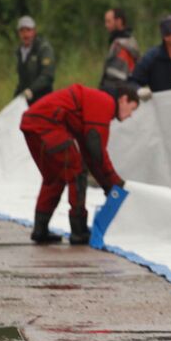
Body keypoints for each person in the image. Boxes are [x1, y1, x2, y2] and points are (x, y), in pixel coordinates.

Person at [20, 82, 140, 246]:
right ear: (124, 99)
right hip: (46, 123)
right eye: (132, 109)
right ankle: (79, 231)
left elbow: (91, 154)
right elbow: (96, 148)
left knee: (54, 177)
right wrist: (115, 183)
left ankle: (40, 230)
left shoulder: (95, 105)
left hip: (32, 123)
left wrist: (108, 186)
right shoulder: (105, 102)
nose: (130, 116)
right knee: (76, 171)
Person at [13, 15, 57, 105]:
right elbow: (22, 80)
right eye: (22, 31)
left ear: (34, 31)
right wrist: (16, 98)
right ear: (19, 33)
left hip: (43, 100)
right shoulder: (19, 51)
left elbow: (47, 76)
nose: (25, 35)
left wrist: (31, 90)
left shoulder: (43, 48)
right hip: (27, 101)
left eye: (28, 30)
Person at [99, 6, 141, 90]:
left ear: (119, 21)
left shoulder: (120, 46)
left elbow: (114, 78)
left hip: (119, 92)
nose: (106, 25)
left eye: (108, 22)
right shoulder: (130, 40)